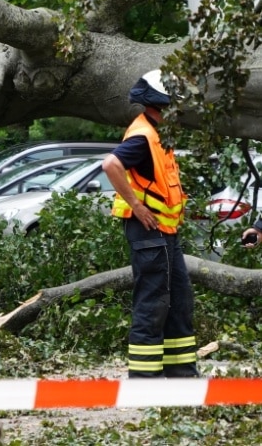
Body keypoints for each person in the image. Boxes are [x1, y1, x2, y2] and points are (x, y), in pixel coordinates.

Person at [102, 70, 199, 378]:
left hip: (165, 233)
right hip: (148, 233)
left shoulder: (158, 134)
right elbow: (111, 165)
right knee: (154, 302)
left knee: (179, 299)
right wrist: (136, 206)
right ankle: (144, 379)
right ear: (163, 103)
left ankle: (181, 373)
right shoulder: (143, 136)